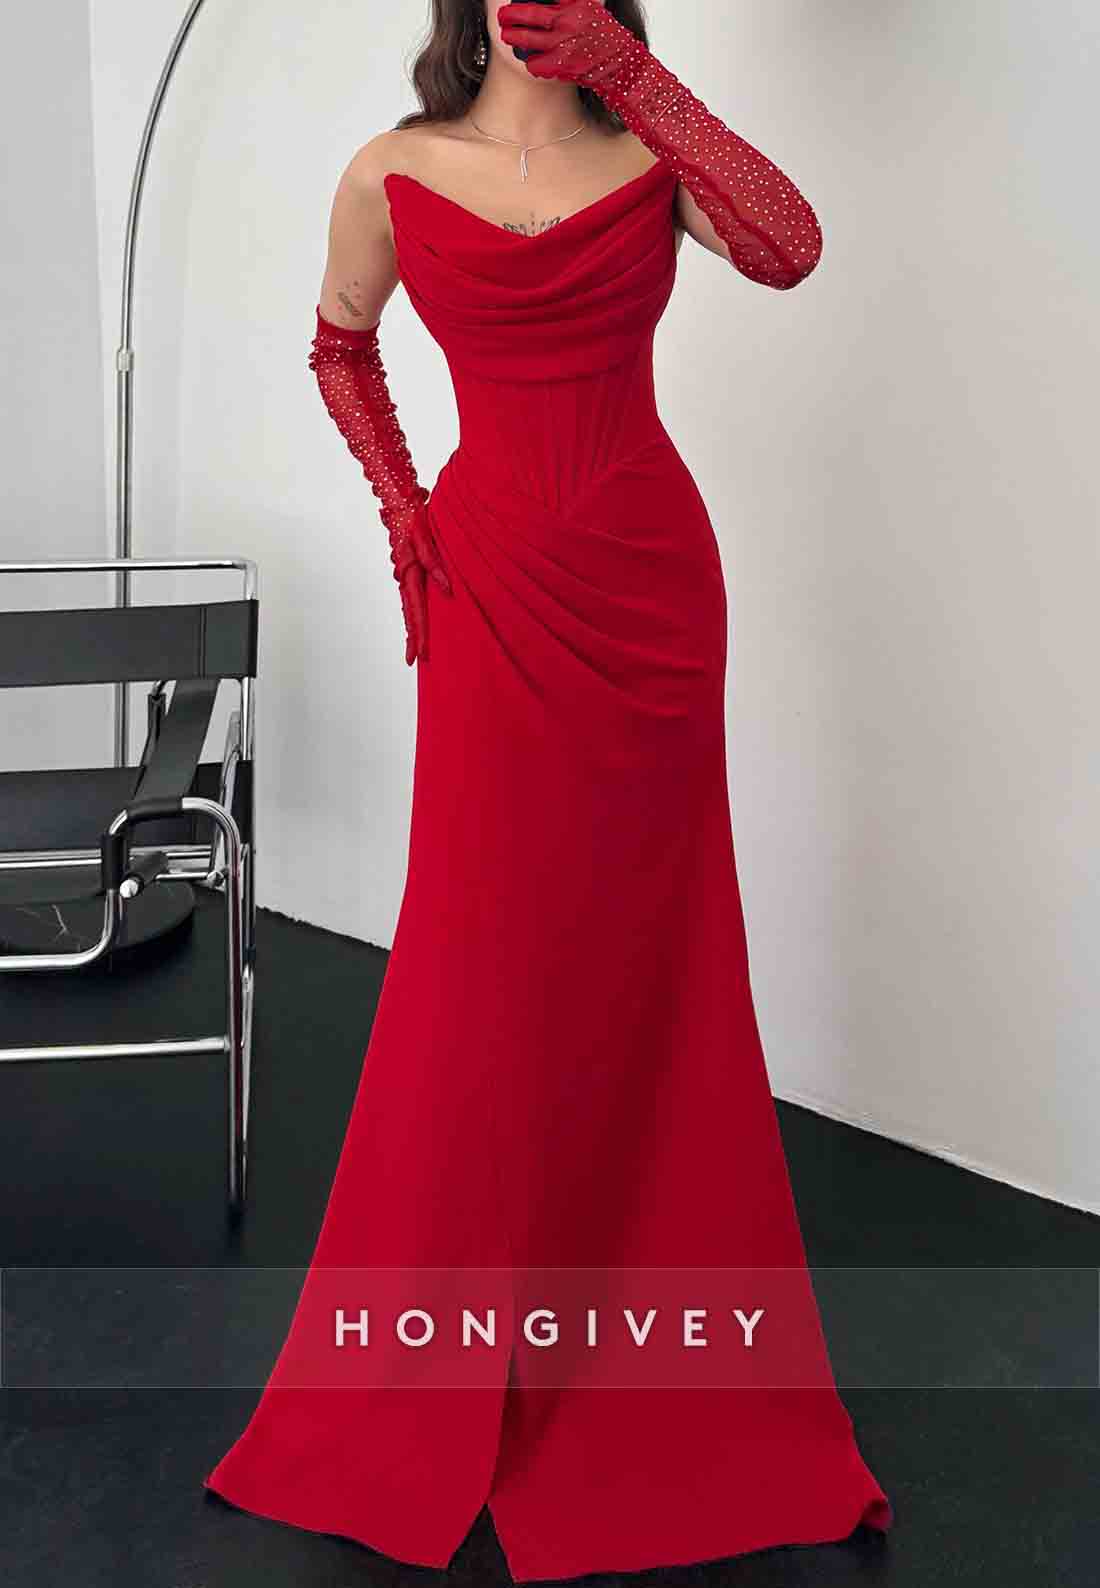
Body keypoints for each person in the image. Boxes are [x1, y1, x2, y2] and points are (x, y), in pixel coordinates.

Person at [203, 3, 895, 1579]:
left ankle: (645, 1348)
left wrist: (636, 77)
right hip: (493, 582)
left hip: (649, 587)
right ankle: (465, 1341)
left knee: (657, 961)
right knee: (483, 956)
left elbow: (789, 247)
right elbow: (338, 346)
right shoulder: (391, 171)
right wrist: (405, 514)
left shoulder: (651, 153)